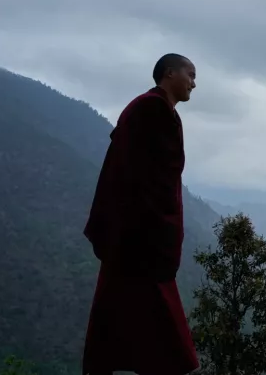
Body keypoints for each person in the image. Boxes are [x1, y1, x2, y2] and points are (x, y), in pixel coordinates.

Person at [82, 53, 199, 375]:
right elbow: (138, 175)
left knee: (127, 308)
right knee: (153, 312)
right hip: (139, 233)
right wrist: (155, 224)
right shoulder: (149, 109)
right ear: (169, 73)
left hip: (139, 231)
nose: (194, 82)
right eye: (190, 74)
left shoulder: (156, 110)